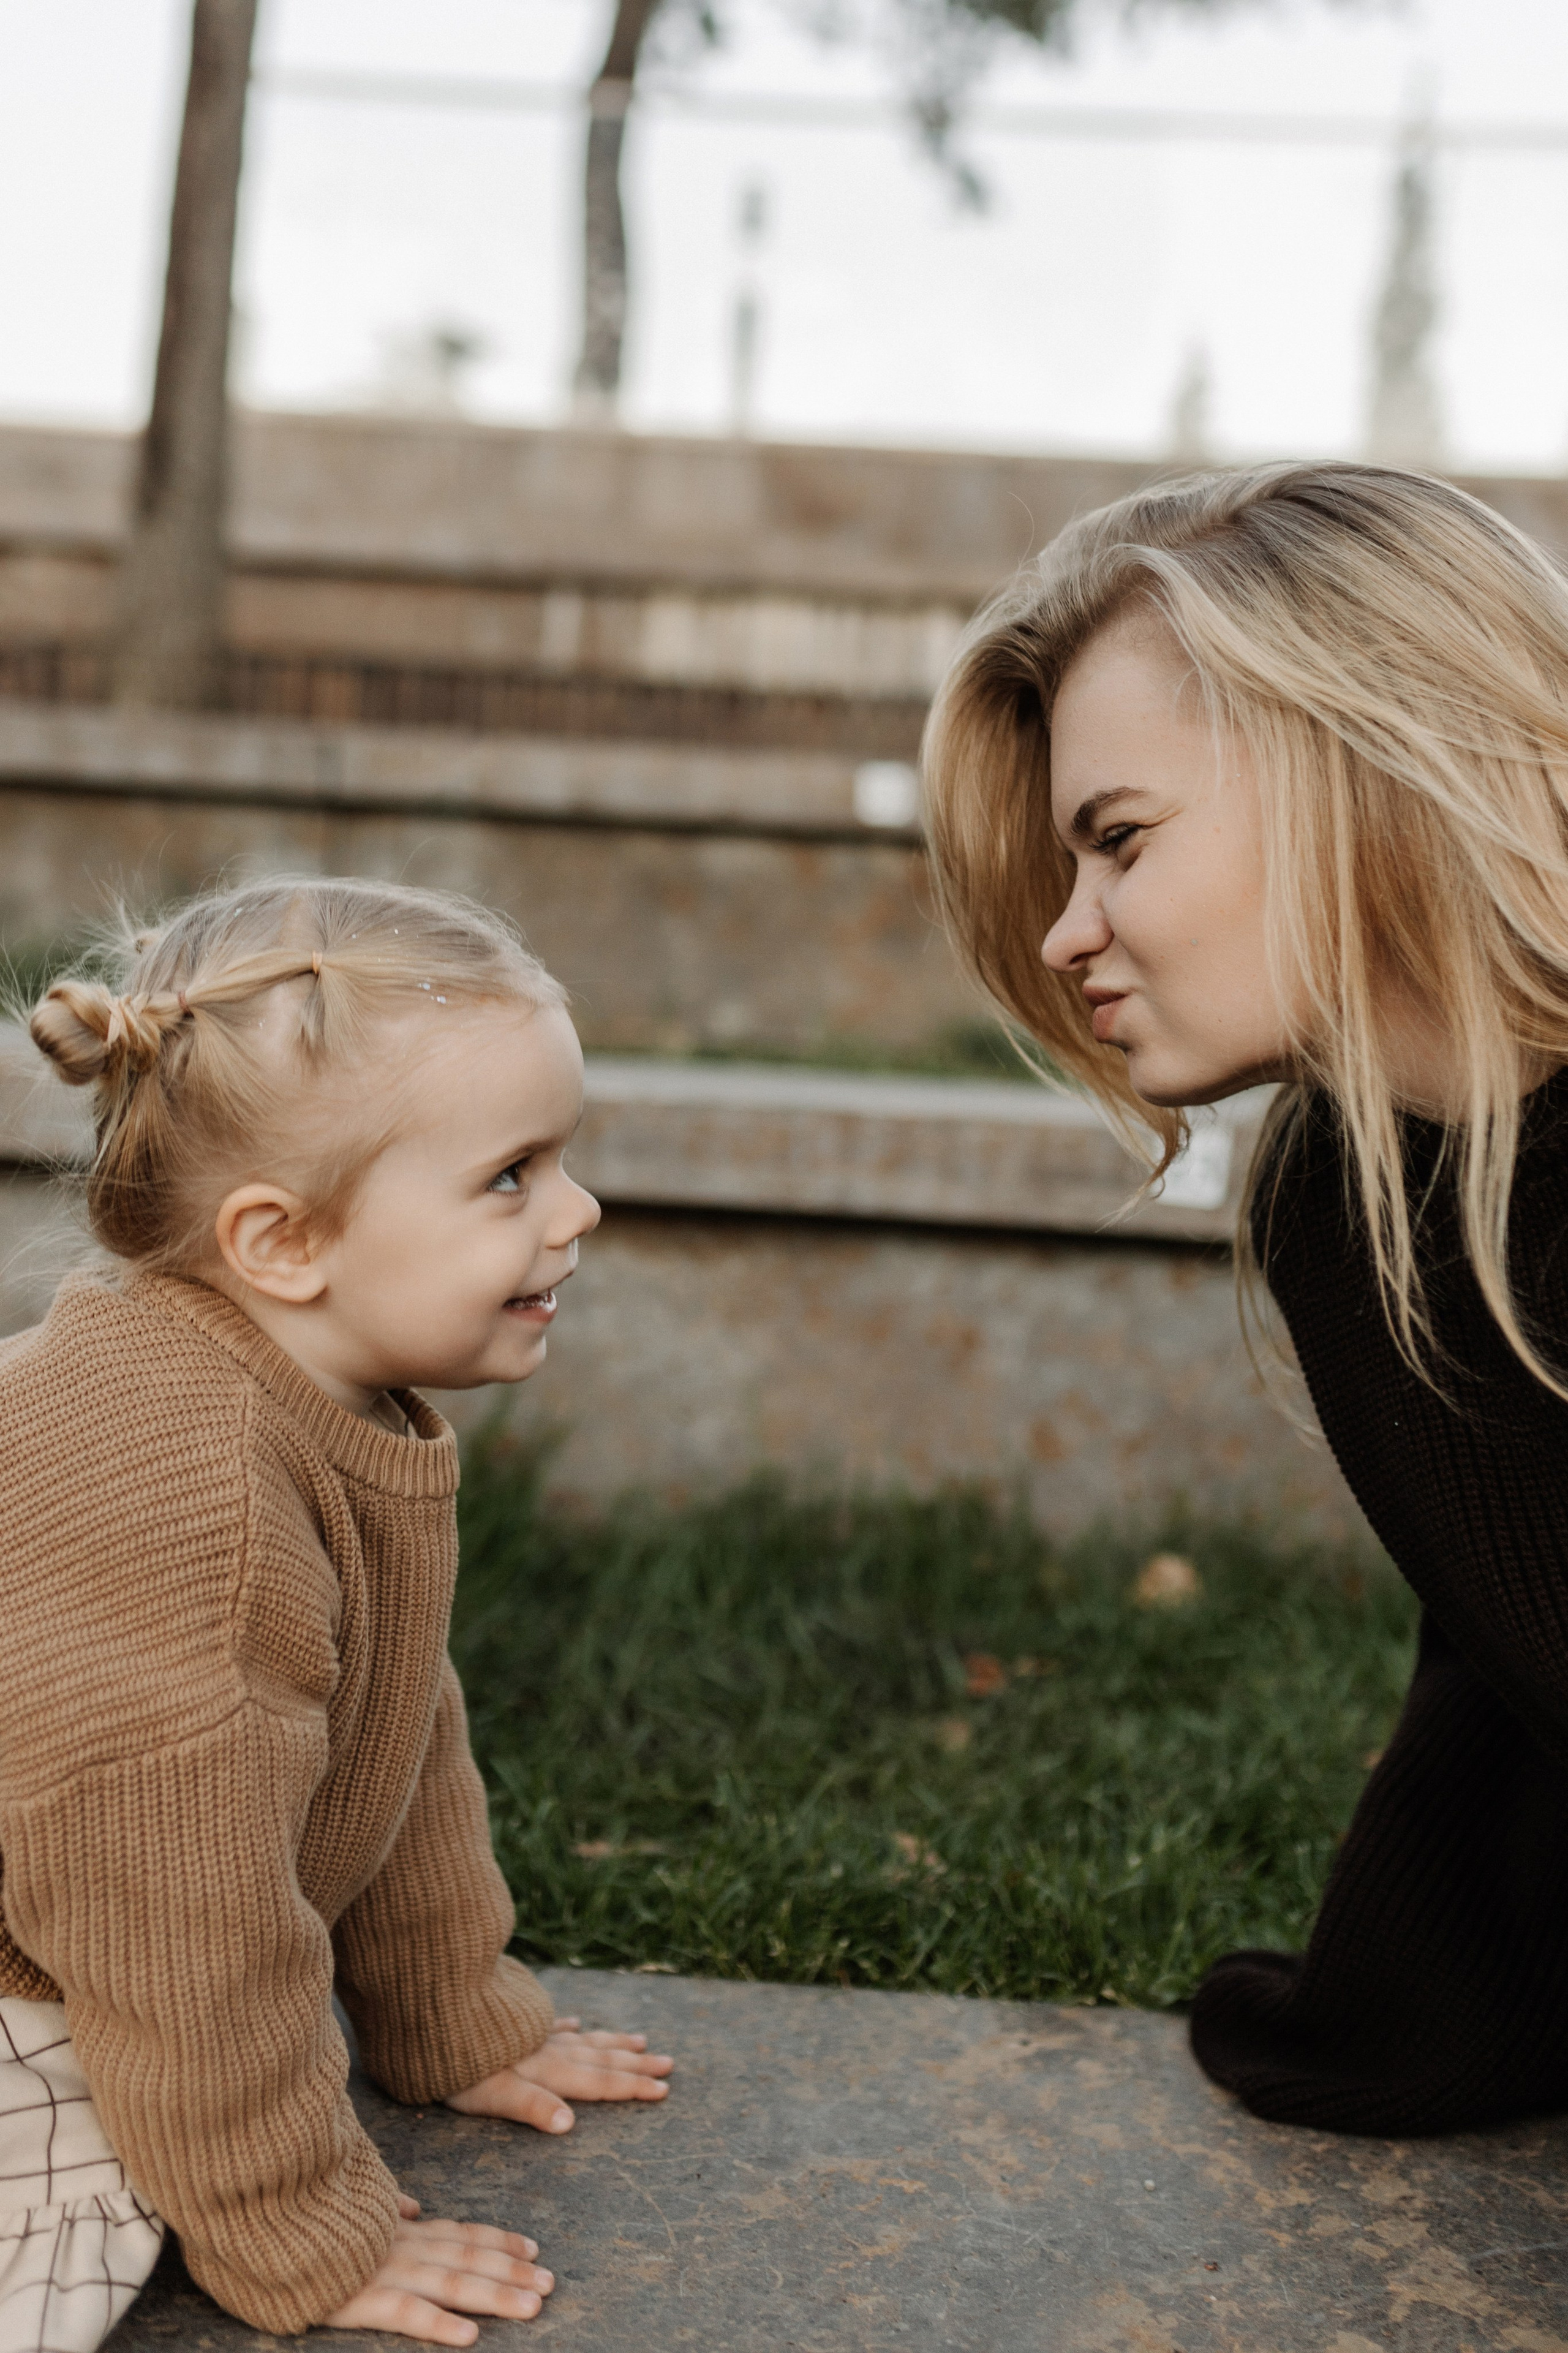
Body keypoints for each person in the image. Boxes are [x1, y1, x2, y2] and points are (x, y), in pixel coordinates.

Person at [921, 459, 1568, 2136]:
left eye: (1119, 841)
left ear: (1358, 757)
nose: (1070, 936)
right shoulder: (1346, 1197)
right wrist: (1404, 2008)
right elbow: (1512, 1652)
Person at [0, 877, 673, 2352]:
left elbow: (388, 1729)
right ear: (284, 1243)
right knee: (69, 2236)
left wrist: (454, 2015)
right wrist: (303, 2227)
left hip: (117, 1903)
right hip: (66, 1947)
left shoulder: (319, 1399)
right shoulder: (189, 1500)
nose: (577, 1209)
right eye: (511, 1175)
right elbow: (180, 1919)